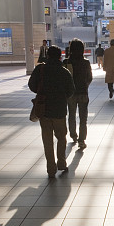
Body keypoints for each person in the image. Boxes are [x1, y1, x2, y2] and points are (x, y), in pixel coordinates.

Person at [29, 46, 75, 178]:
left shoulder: (40, 69)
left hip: (44, 110)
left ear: (48, 56)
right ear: (60, 56)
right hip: (60, 110)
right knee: (61, 138)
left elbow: (32, 85)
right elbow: (71, 91)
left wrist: (42, 92)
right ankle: (62, 163)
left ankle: (50, 168)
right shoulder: (64, 72)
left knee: (47, 140)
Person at [64, 39, 93, 150]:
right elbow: (89, 78)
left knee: (71, 115)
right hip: (83, 93)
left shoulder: (66, 62)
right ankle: (82, 140)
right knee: (83, 117)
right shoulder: (85, 62)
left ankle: (73, 135)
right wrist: (85, 85)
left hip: (70, 94)